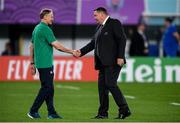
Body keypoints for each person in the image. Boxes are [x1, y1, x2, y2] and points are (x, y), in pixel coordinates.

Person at [74, 7, 131, 119]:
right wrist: (80, 52)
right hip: (102, 64)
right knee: (102, 88)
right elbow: (92, 44)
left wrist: (120, 57)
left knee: (110, 84)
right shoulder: (99, 27)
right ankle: (103, 113)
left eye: (95, 15)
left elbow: (122, 39)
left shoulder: (114, 23)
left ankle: (124, 109)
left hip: (114, 62)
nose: (94, 18)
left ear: (102, 14)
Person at [28, 8, 76, 119]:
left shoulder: (37, 28)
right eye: (51, 16)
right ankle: (33, 110)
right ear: (45, 17)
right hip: (45, 64)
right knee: (47, 87)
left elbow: (31, 46)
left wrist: (32, 63)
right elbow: (57, 45)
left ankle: (51, 112)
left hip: (41, 64)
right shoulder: (45, 29)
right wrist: (71, 51)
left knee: (50, 88)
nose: (53, 19)